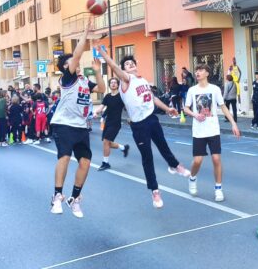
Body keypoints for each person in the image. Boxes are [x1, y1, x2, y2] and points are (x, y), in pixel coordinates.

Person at [97, 46, 190, 209]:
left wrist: (168, 109)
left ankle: (174, 165)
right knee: (147, 157)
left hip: (151, 119)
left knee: (163, 146)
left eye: (132, 63)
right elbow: (114, 66)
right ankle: (155, 191)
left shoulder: (142, 80)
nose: (130, 65)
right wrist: (103, 52)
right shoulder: (126, 80)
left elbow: (153, 98)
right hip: (138, 125)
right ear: (123, 70)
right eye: (127, 64)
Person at [49, 19, 105, 218]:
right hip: (63, 124)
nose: (75, 62)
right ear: (65, 67)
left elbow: (102, 88)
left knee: (85, 162)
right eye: (70, 62)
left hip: (81, 126)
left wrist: (97, 72)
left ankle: (74, 198)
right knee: (64, 156)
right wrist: (85, 33)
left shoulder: (83, 80)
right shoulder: (68, 78)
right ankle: (57, 196)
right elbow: (78, 54)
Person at [183, 64, 241, 201]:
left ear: (207, 73)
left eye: (201, 70)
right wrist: (195, 115)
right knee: (197, 161)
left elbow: (223, 107)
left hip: (213, 129)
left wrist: (233, 123)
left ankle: (218, 189)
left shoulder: (214, 89)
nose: (197, 73)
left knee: (216, 159)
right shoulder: (192, 90)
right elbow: (186, 108)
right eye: (196, 71)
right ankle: (192, 178)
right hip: (198, 131)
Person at [93, 77, 130, 171]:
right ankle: (124, 148)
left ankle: (105, 163)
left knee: (106, 142)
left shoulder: (121, 96)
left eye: (115, 82)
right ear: (109, 85)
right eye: (111, 83)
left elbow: (128, 107)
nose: (113, 84)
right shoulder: (107, 96)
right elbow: (101, 107)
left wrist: (130, 117)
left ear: (118, 85)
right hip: (108, 122)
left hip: (116, 123)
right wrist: (96, 112)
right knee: (108, 143)